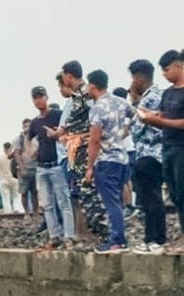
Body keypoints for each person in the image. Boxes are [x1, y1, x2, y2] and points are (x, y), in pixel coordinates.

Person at [51, 60, 109, 242]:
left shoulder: (87, 93)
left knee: (89, 193)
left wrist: (87, 137)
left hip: (85, 151)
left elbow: (97, 119)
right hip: (76, 152)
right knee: (81, 193)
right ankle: (87, 234)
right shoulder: (78, 96)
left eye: (64, 76)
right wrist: (62, 133)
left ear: (69, 76)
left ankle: (98, 234)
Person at [137, 49, 184, 253]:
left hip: (182, 148)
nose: (163, 74)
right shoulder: (168, 93)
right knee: (175, 194)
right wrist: (151, 117)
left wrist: (158, 120)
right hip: (168, 148)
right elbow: (164, 115)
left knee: (183, 193)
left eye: (166, 70)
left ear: (179, 66)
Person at [85, 70, 134, 253]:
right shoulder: (120, 101)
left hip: (107, 160)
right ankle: (119, 238)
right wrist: (123, 133)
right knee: (118, 201)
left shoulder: (97, 108)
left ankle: (117, 241)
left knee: (111, 202)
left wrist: (90, 167)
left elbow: (95, 140)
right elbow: (136, 115)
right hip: (122, 158)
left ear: (92, 86)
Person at [28, 86, 75, 250]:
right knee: (47, 205)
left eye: (40, 96)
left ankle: (69, 236)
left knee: (63, 202)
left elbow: (68, 130)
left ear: (46, 97)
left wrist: (59, 136)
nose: (38, 100)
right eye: (35, 97)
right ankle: (54, 237)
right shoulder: (35, 123)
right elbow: (29, 140)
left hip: (57, 165)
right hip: (41, 168)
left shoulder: (57, 115)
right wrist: (31, 153)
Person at [128, 59, 165, 254]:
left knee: (151, 198)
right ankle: (152, 239)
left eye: (133, 78)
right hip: (155, 155)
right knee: (150, 198)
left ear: (139, 78)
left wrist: (134, 102)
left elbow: (136, 129)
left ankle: (156, 239)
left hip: (149, 155)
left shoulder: (149, 98)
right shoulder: (157, 95)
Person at [113, 87, 138, 220]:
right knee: (127, 179)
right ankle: (130, 204)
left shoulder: (121, 110)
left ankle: (128, 205)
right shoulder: (129, 109)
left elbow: (125, 130)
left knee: (122, 179)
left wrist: (113, 140)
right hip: (130, 148)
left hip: (124, 148)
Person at [13, 119, 39, 216]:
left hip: (35, 167)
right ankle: (27, 213)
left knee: (35, 192)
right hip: (25, 168)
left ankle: (35, 212)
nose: (27, 128)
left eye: (29, 125)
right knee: (24, 192)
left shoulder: (36, 138)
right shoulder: (18, 139)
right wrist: (22, 167)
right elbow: (16, 154)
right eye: (25, 126)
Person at [0, 142, 23, 213]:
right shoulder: (15, 156)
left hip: (3, 180)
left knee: (5, 198)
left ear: (4, 148)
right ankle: (16, 208)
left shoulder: (0, 157)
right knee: (16, 196)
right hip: (14, 179)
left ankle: (7, 211)